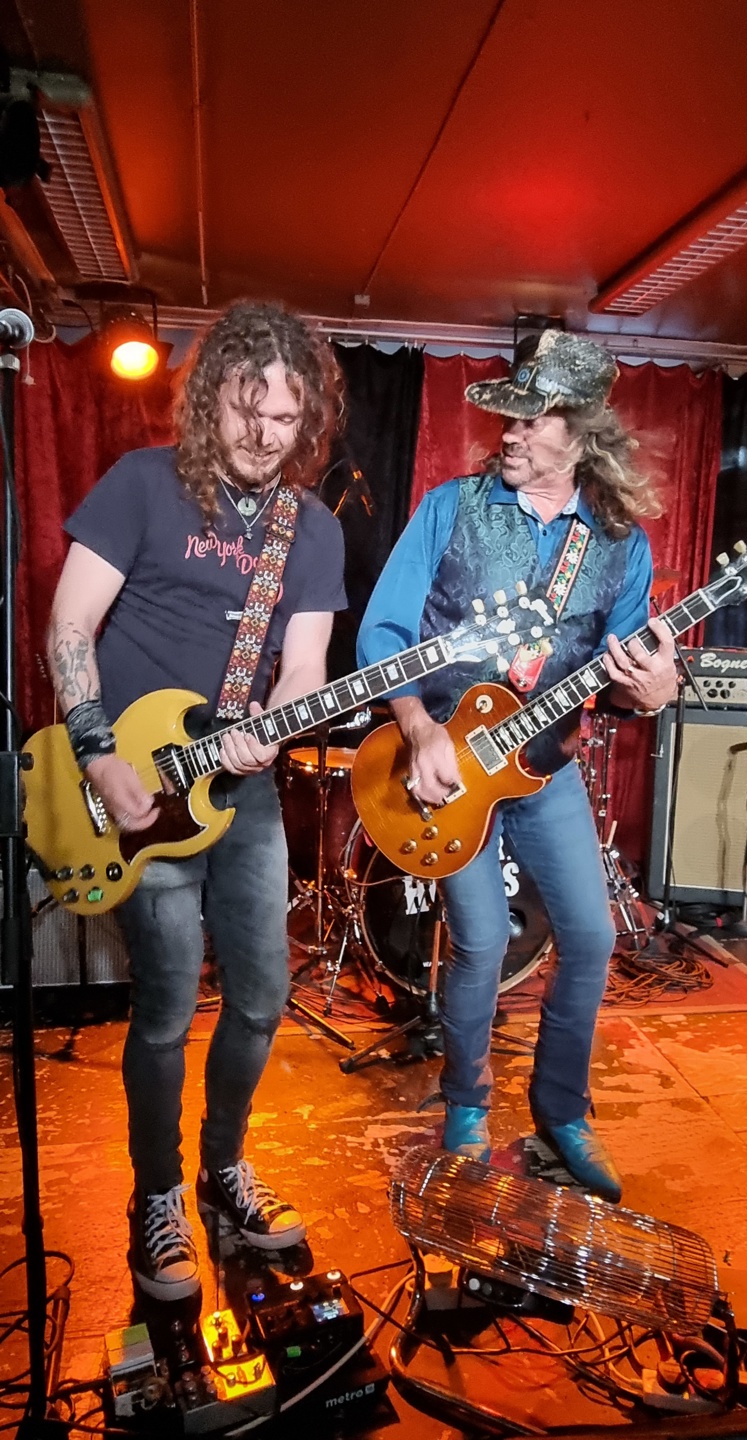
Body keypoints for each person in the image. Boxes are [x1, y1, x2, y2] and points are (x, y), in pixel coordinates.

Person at [46, 302, 347, 1297]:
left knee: (263, 999)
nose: (263, 436)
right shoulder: (142, 487)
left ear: (309, 423)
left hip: (239, 793)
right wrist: (95, 755)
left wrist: (279, 716)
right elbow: (69, 627)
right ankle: (157, 1192)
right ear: (209, 396)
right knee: (168, 1006)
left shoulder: (311, 532)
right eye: (245, 410)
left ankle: (222, 1167)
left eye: (284, 420)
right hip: (134, 789)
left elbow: (305, 665)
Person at [357, 330, 677, 1203]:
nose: (510, 432)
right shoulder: (451, 508)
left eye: (534, 421)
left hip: (546, 764)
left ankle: (562, 1112)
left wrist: (651, 688)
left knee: (592, 938)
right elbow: (384, 632)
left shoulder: (617, 542)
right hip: (451, 765)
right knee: (484, 942)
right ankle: (465, 1104)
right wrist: (418, 724)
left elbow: (625, 679)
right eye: (511, 418)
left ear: (581, 436)